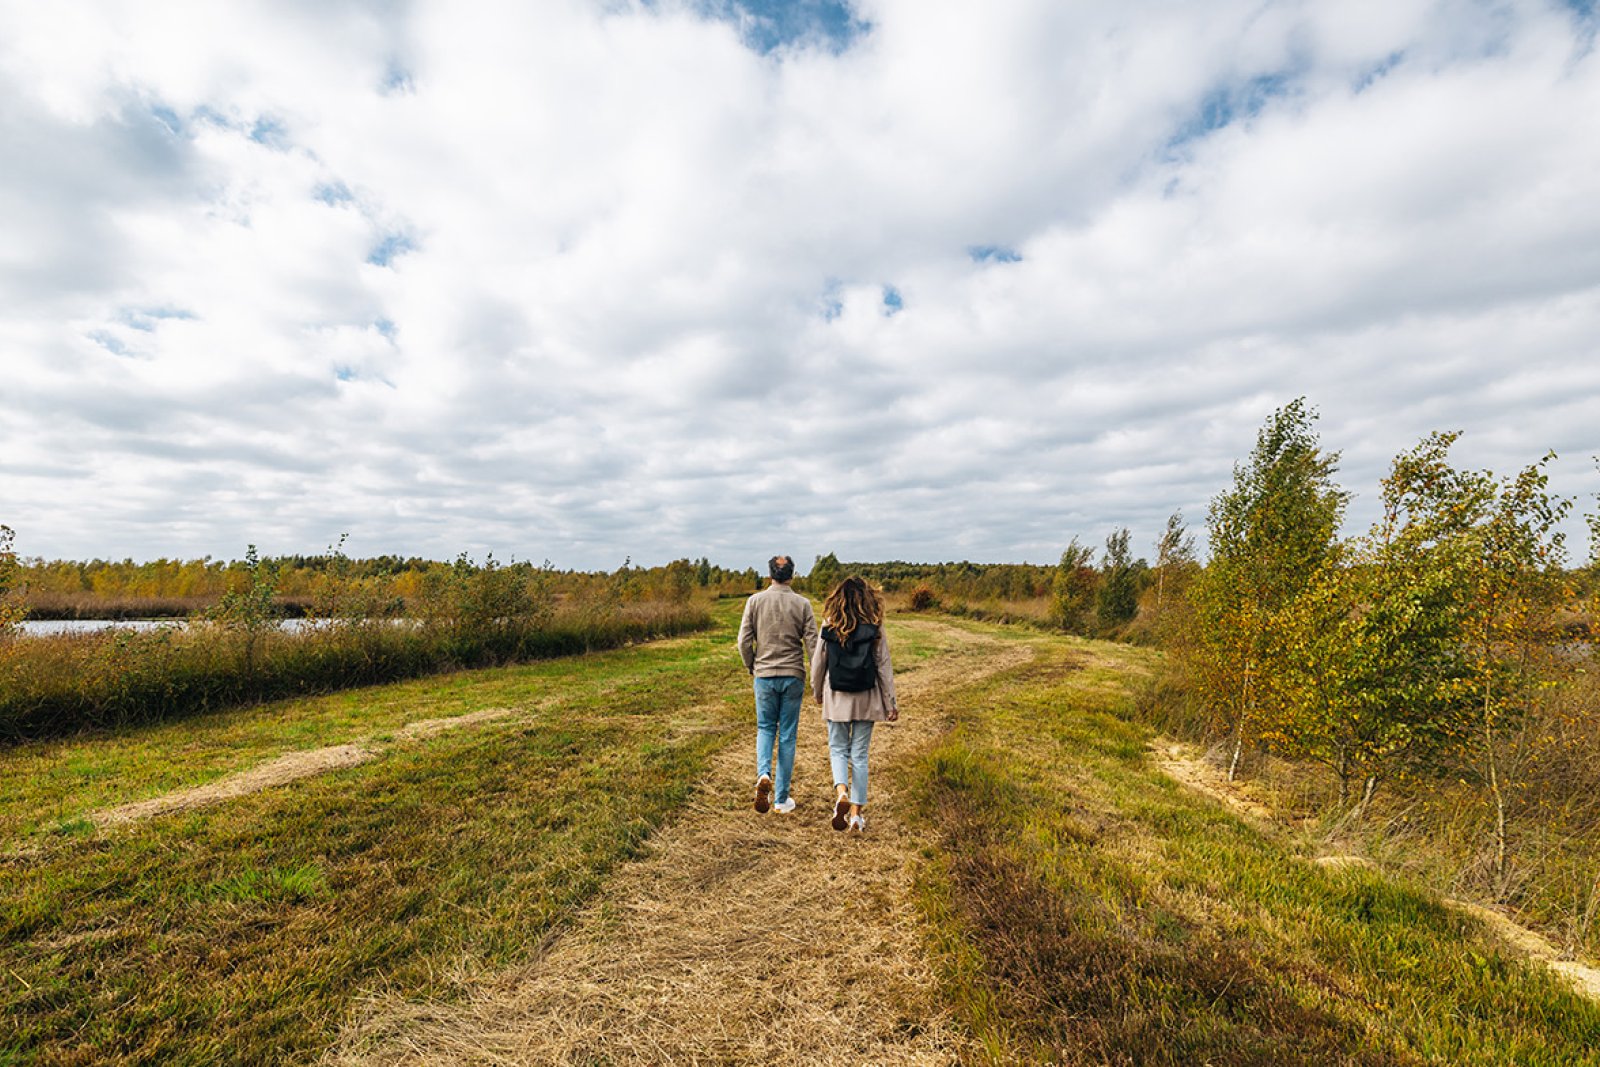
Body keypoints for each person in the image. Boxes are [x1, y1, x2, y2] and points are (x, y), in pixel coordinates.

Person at [811, 576, 898, 833]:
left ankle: (841, 793)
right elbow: (883, 666)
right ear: (866, 599)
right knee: (859, 755)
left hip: (837, 697)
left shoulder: (830, 625)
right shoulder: (875, 628)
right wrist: (890, 702)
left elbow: (818, 663)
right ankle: (857, 817)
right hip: (866, 696)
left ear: (838, 599)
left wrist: (818, 692)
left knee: (837, 749)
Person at [737, 554, 817, 814]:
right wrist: (816, 677)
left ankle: (763, 775)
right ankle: (782, 798)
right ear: (792, 575)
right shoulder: (803, 604)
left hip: (765, 674)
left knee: (765, 728)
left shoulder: (755, 601)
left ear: (770, 574)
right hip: (793, 675)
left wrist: (752, 665)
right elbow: (813, 645)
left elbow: (743, 642)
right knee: (788, 736)